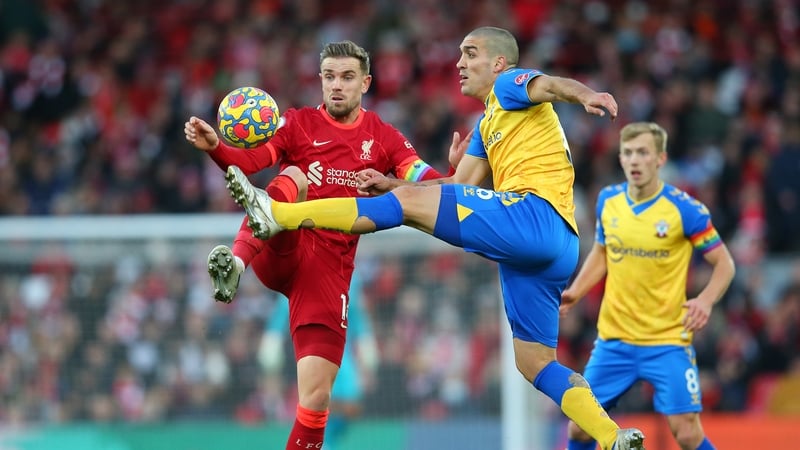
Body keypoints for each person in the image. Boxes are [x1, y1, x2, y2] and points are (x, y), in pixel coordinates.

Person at [223, 26, 645, 450]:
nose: (460, 63)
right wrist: (392, 184)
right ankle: (613, 436)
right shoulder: (488, 125)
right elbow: (454, 185)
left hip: (533, 215)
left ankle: (278, 214)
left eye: (471, 53)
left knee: (404, 206)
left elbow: (550, 85)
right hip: (557, 247)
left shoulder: (508, 85)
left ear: (499, 63)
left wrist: (587, 95)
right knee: (534, 363)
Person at [184, 40, 459, 449]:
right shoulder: (297, 123)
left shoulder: (383, 138)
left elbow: (429, 183)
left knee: (315, 399)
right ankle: (236, 264)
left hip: (327, 275)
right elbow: (251, 163)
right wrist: (215, 148)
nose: (336, 85)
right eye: (329, 76)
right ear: (320, 80)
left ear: (365, 83)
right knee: (293, 178)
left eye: (347, 77)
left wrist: (454, 172)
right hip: (284, 247)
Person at [559, 122, 736, 450]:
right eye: (628, 153)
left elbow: (724, 263)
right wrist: (576, 292)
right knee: (580, 427)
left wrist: (705, 300)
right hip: (615, 339)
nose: (634, 160)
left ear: (660, 159)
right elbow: (602, 252)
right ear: (620, 158)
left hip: (666, 340)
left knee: (686, 433)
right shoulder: (608, 201)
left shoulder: (685, 210)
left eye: (643, 153)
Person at [259, 272, 377, 450]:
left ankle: (323, 442)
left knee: (346, 404)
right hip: (310, 351)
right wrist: (273, 338)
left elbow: (357, 315)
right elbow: (283, 310)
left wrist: (365, 343)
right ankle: (320, 442)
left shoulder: (350, 276)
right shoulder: (299, 271)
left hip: (341, 353)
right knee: (317, 401)